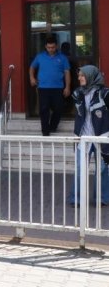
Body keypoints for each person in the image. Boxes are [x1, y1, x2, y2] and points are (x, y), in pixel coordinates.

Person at [68, 65, 109, 207]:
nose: (79, 78)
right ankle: (76, 198)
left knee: (102, 169)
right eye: (79, 75)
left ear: (91, 76)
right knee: (80, 168)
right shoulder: (78, 93)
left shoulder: (104, 94)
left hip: (102, 137)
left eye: (82, 75)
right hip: (83, 137)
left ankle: (101, 198)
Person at [29, 36, 71, 136]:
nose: (51, 49)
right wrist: (32, 78)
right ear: (45, 47)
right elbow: (32, 67)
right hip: (43, 87)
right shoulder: (40, 56)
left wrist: (67, 87)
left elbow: (67, 73)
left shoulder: (63, 58)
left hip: (58, 88)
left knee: (59, 108)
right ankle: (45, 131)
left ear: (56, 46)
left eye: (52, 47)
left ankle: (52, 126)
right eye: (49, 47)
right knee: (44, 109)